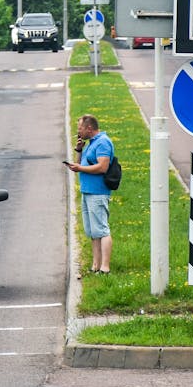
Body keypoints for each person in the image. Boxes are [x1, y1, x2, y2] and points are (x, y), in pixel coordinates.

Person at [65, 114, 114, 275]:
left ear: (89, 128)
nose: (78, 131)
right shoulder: (91, 143)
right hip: (87, 191)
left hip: (98, 192)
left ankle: (105, 267)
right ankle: (95, 265)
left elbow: (102, 167)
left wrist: (80, 169)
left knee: (102, 229)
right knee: (93, 232)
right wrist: (79, 150)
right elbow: (81, 163)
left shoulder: (103, 143)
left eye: (80, 128)